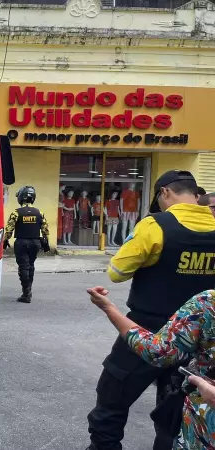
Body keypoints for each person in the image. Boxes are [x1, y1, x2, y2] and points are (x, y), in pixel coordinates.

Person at [87, 170, 215, 450]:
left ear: (165, 193)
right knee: (175, 412)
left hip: (146, 330)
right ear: (196, 195)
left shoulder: (154, 225)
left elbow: (117, 272)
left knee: (112, 400)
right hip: (199, 341)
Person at [87, 286, 215, 449]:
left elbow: (160, 352)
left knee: (110, 403)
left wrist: (108, 308)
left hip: (205, 428)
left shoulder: (209, 302)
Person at [2, 186, 50, 303]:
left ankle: (26, 293)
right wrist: (46, 243)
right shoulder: (40, 212)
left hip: (21, 242)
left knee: (23, 266)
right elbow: (45, 230)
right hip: (35, 243)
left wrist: (5, 240)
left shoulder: (16, 213)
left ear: (21, 198)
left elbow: (9, 229)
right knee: (31, 265)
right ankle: (28, 291)